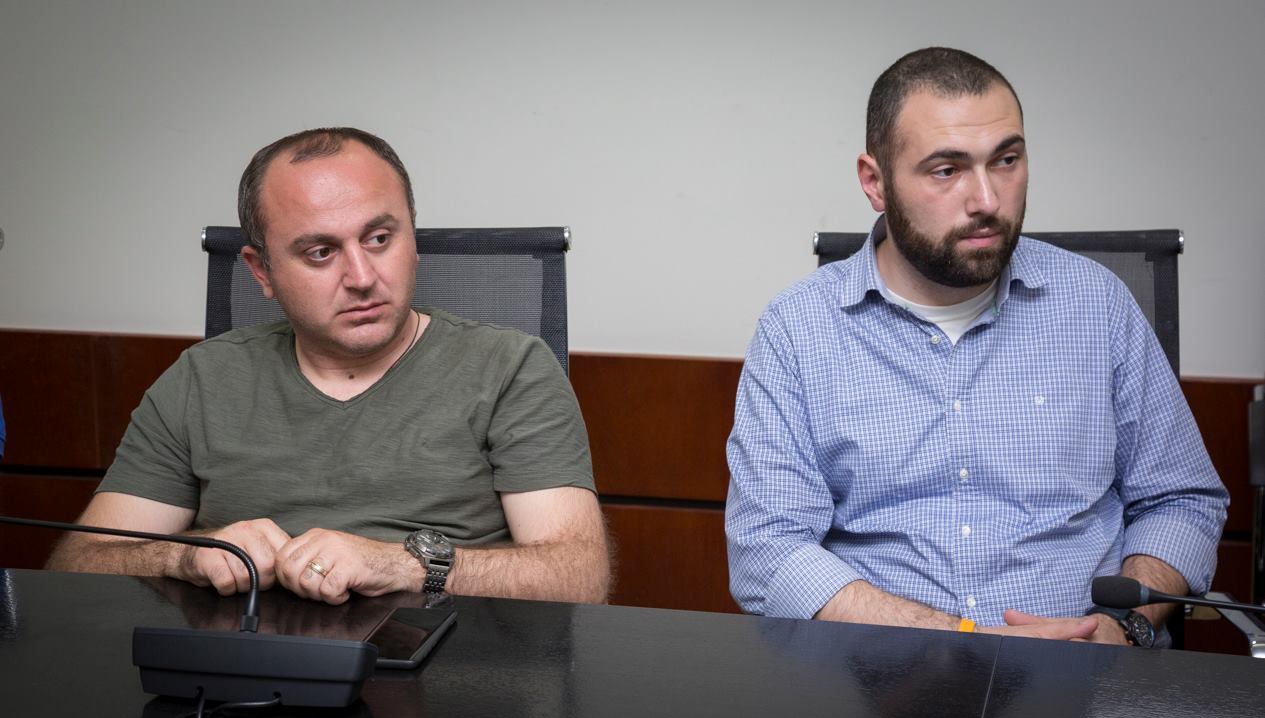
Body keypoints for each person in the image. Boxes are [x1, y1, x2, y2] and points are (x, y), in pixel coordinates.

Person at [725, 48, 1227, 646]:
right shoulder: (798, 330)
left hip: (1088, 677)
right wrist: (959, 639)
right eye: (947, 170)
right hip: (883, 681)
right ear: (875, 182)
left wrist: (1128, 627)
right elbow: (768, 549)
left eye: (1006, 160)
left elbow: (1181, 499)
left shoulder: (1098, 304)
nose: (987, 200)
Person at [48, 127, 610, 605]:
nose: (362, 277)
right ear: (261, 271)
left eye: (380, 238)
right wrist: (187, 558)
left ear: (413, 238)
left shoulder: (510, 369)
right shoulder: (201, 379)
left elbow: (578, 578)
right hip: (243, 673)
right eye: (320, 252)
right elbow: (77, 565)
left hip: (444, 671)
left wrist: (400, 564)